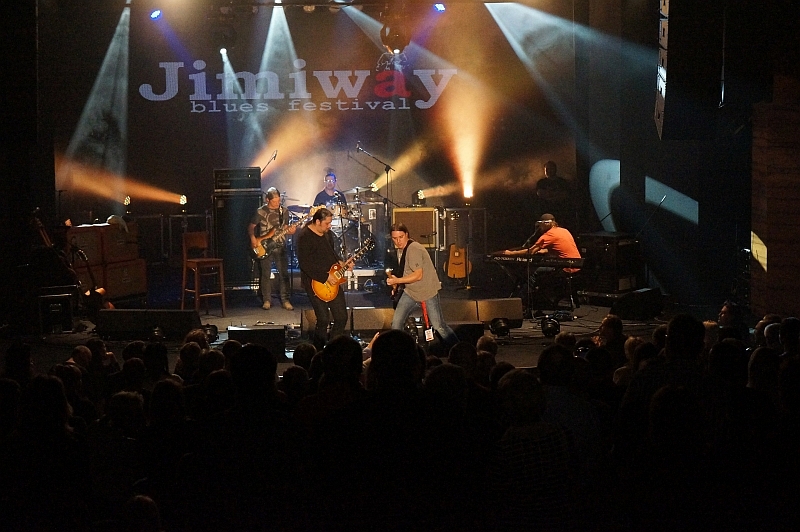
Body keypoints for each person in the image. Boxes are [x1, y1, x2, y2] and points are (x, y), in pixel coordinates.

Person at [386, 223, 458, 350]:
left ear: (407, 235)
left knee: (439, 325)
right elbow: (406, 272)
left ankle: (459, 349)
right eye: (395, 238)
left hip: (427, 291)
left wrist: (397, 280)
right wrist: (396, 285)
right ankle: (399, 352)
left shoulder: (414, 249)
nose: (398, 241)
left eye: (401, 237)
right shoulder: (400, 250)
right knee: (396, 324)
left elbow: (418, 275)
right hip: (411, 292)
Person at [297, 208, 350, 350]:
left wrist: (340, 262)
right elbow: (305, 264)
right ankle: (318, 351)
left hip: (332, 281)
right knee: (323, 319)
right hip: (314, 282)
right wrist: (325, 277)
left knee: (341, 317)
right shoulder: (304, 236)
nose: (329, 226)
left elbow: (331, 253)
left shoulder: (328, 235)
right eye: (327, 223)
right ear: (317, 221)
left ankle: (333, 349)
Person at [248, 187, 295, 311]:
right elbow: (251, 226)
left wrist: (290, 231)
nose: (277, 203)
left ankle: (285, 300)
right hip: (264, 245)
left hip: (280, 245)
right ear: (267, 200)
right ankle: (267, 300)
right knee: (265, 274)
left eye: (278, 201)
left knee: (284, 274)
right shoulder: (261, 211)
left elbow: (285, 227)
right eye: (274, 201)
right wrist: (253, 238)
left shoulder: (284, 211)